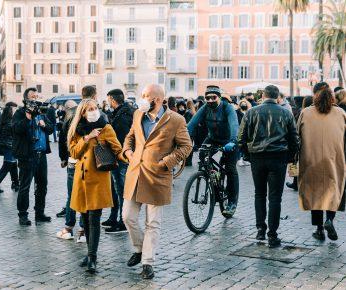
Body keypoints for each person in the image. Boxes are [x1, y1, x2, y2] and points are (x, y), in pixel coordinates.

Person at [123, 84, 192, 279]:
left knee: (152, 223)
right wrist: (128, 153)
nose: (143, 98)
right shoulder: (138, 114)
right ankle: (139, 249)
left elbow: (186, 147)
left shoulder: (176, 120)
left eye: (147, 96)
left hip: (157, 176)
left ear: (159, 100)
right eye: (142, 95)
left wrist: (166, 163)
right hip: (136, 173)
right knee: (127, 217)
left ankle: (147, 262)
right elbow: (130, 137)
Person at [68, 98, 126, 273]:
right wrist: (87, 137)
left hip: (98, 180)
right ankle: (89, 253)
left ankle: (92, 258)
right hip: (81, 180)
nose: (93, 111)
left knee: (94, 219)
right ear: (83, 113)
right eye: (89, 109)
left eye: (95, 108)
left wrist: (130, 158)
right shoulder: (77, 130)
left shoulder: (106, 128)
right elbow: (73, 153)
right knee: (85, 219)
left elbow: (117, 149)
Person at [238, 85, 299, 248]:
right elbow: (294, 138)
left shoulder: (251, 112)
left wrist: (247, 155)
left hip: (257, 157)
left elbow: (241, 138)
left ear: (263, 96)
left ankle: (260, 229)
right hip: (278, 157)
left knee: (259, 194)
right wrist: (291, 157)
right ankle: (272, 234)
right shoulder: (286, 112)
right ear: (277, 96)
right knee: (275, 197)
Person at [298, 82, 346, 241]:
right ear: (332, 97)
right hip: (335, 158)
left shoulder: (306, 112)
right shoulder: (340, 113)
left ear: (315, 95)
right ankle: (329, 220)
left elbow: (297, 134)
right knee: (333, 189)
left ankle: (319, 229)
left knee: (315, 192)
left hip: (311, 159)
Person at [56, 86, 105, 240]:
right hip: (92, 161)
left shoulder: (71, 112)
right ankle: (83, 231)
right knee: (88, 196)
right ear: (95, 96)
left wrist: (63, 157)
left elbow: (64, 137)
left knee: (73, 195)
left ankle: (69, 228)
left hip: (73, 160)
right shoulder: (100, 115)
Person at [187, 85, 240, 217]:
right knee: (202, 155)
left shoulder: (228, 108)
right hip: (213, 138)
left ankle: (232, 201)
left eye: (213, 97)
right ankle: (212, 175)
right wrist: (184, 137)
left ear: (220, 98)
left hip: (229, 141)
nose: (210, 100)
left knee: (230, 168)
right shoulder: (205, 108)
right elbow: (191, 124)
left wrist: (233, 141)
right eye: (207, 98)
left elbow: (234, 125)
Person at [12, 88, 54, 226]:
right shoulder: (19, 113)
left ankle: (39, 213)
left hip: (41, 155)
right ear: (26, 99)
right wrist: (28, 118)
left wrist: (44, 124)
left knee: (42, 185)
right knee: (25, 186)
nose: (35, 99)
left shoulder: (41, 112)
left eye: (36, 96)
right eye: (32, 97)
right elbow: (16, 129)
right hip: (27, 155)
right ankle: (23, 215)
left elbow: (51, 128)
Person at [102, 89, 134, 233]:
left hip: (121, 157)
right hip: (118, 156)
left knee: (120, 189)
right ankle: (114, 217)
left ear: (113, 100)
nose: (108, 102)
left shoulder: (123, 115)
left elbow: (119, 138)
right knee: (114, 189)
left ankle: (122, 221)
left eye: (109, 99)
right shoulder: (122, 112)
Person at [0, 102, 19, 196]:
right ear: (10, 110)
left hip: (7, 145)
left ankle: (16, 183)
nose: (16, 111)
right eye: (14, 109)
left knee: (13, 164)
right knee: (7, 165)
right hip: (9, 146)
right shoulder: (10, 121)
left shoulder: (3, 118)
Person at [286, 96, 313, 191]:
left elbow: (295, 128)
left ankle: (295, 182)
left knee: (294, 161)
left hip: (300, 141)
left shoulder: (302, 112)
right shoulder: (313, 113)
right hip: (309, 142)